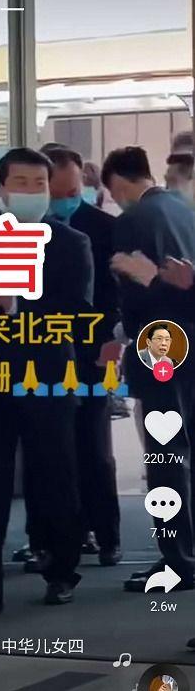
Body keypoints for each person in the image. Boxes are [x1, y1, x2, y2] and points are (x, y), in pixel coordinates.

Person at [0, 147, 94, 614]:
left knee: (54, 476)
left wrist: (16, 305)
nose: (31, 192)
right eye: (21, 183)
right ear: (2, 189)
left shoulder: (70, 243)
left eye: (39, 184)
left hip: (47, 376)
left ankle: (61, 570)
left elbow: (77, 314)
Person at [102, 145, 195, 593]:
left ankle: (177, 560)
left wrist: (121, 333)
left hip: (161, 345)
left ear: (118, 185)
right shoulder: (184, 209)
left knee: (165, 455)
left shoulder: (132, 220)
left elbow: (135, 295)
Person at [42, 145, 122, 567]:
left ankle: (107, 535)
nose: (68, 199)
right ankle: (58, 539)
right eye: (59, 193)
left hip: (93, 353)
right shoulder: (24, 232)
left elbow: (118, 293)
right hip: (43, 356)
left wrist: (114, 341)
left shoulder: (106, 228)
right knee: (51, 453)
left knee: (94, 448)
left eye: (74, 191)